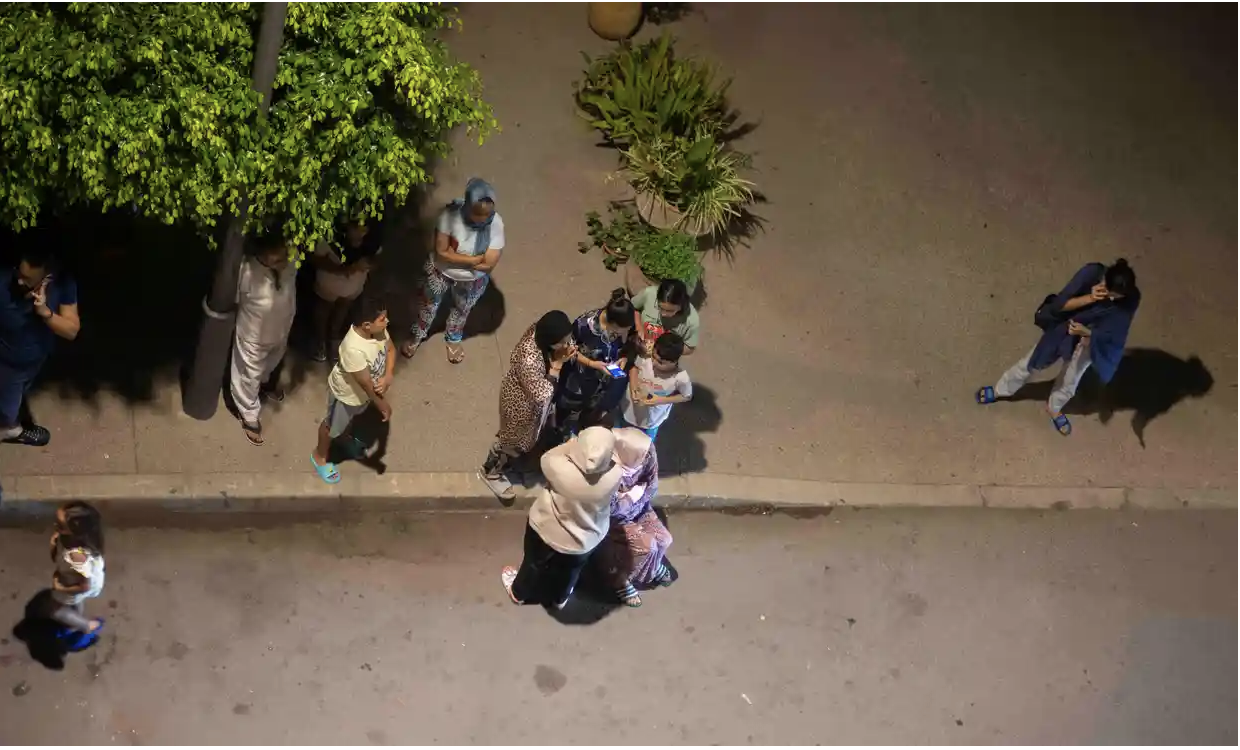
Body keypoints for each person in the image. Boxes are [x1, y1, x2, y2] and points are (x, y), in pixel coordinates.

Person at [976, 258, 1140, 436]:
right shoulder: (1092, 273)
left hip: (1091, 341)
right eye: (1108, 292)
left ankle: (1054, 407)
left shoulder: (1130, 300)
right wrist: (1090, 298)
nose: (1110, 298)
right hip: (1066, 328)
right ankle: (1001, 390)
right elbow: (1059, 306)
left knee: (1071, 379)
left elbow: (1116, 333)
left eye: (1115, 297)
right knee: (1033, 361)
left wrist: (1089, 334)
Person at [500, 427, 624, 609]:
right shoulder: (615, 474)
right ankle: (560, 598)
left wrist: (572, 444)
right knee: (571, 570)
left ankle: (519, 592)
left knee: (533, 562)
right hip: (586, 540)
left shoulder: (559, 468)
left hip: (547, 529)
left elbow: (548, 456)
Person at [401, 178, 504, 364]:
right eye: (478, 214)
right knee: (427, 305)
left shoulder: (495, 223)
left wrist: (457, 258)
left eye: (487, 214)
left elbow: (489, 263)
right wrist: (473, 260)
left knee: (462, 309)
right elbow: (442, 253)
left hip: (473, 280)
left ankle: (453, 337)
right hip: (441, 272)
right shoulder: (450, 217)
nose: (484, 220)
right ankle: (418, 334)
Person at [480, 310, 578, 500]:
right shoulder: (529, 358)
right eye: (563, 341)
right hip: (521, 405)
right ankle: (490, 471)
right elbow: (542, 395)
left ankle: (519, 463)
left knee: (530, 439)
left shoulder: (541, 334)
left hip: (535, 403)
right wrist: (557, 365)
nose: (567, 345)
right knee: (511, 442)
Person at [0, 246, 80, 447]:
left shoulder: (62, 283)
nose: (19, 281)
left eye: (27, 279)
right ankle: (11, 430)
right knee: (7, 408)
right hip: (9, 367)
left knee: (19, 393)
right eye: (19, 274)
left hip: (36, 358)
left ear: (46, 278)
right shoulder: (3, 282)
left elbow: (71, 330)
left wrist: (45, 313)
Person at [311, 295, 394, 483]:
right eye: (382, 319)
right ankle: (319, 457)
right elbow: (365, 383)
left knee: (346, 421)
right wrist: (383, 405)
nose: (386, 322)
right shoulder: (354, 350)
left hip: (362, 396)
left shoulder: (378, 331)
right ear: (366, 325)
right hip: (346, 396)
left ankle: (344, 437)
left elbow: (390, 350)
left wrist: (387, 376)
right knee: (330, 426)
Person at [230, 236, 297, 446]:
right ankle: (248, 414)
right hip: (253, 336)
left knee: (272, 362)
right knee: (248, 375)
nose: (284, 259)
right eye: (277, 256)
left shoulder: (290, 261)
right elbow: (234, 300)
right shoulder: (246, 270)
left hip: (280, 330)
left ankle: (265, 383)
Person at [602, 427, 673, 608]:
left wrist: (629, 497)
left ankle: (650, 567)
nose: (644, 459)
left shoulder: (647, 452)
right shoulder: (606, 465)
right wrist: (635, 494)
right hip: (616, 520)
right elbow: (612, 509)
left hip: (640, 508)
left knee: (664, 540)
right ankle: (621, 579)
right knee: (647, 547)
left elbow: (652, 484)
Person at [553, 289, 635, 438]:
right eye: (624, 330)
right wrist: (592, 364)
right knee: (567, 411)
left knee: (590, 408)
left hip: (601, 380)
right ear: (613, 324)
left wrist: (624, 358)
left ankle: (582, 429)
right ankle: (561, 433)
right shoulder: (584, 325)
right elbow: (567, 350)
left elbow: (625, 346)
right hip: (577, 379)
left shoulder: (623, 322)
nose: (626, 332)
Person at [311, 219, 383, 362]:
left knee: (342, 309)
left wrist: (370, 264)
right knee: (323, 310)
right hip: (329, 285)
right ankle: (320, 341)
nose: (361, 233)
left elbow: (377, 258)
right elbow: (316, 260)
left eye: (364, 228)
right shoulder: (331, 238)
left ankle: (333, 338)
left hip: (353, 287)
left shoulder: (371, 241)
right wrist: (346, 269)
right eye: (357, 228)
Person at [619, 331, 693, 440]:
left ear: (674, 361)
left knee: (643, 447)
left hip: (651, 420)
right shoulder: (645, 358)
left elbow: (686, 396)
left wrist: (659, 400)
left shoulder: (681, 378)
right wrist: (633, 388)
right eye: (653, 357)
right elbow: (634, 369)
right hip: (628, 411)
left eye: (660, 362)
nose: (653, 363)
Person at [47, 501, 105, 638]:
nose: (55, 526)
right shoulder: (72, 540)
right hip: (74, 580)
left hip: (72, 584)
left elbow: (84, 586)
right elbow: (56, 557)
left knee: (55, 611)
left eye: (60, 526)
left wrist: (59, 587)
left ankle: (86, 626)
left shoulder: (76, 556)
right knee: (76, 602)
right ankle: (75, 618)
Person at [631, 279, 701, 357]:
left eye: (670, 311)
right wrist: (639, 327)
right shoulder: (649, 294)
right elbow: (633, 309)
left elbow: (689, 348)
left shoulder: (692, 321)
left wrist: (666, 351)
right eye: (660, 307)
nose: (664, 314)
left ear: (681, 306)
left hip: (662, 358)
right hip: (638, 345)